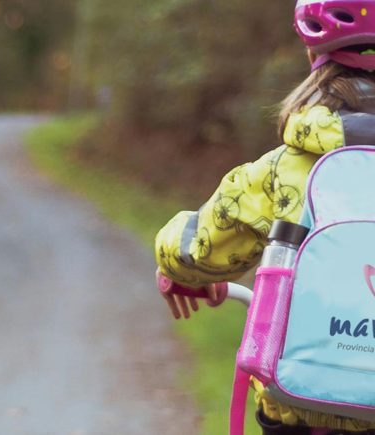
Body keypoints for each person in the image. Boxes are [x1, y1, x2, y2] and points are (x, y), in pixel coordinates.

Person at [155, 1, 375, 434]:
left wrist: (176, 270)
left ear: (314, 57)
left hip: (299, 410)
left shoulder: (282, 169)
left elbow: (196, 249)